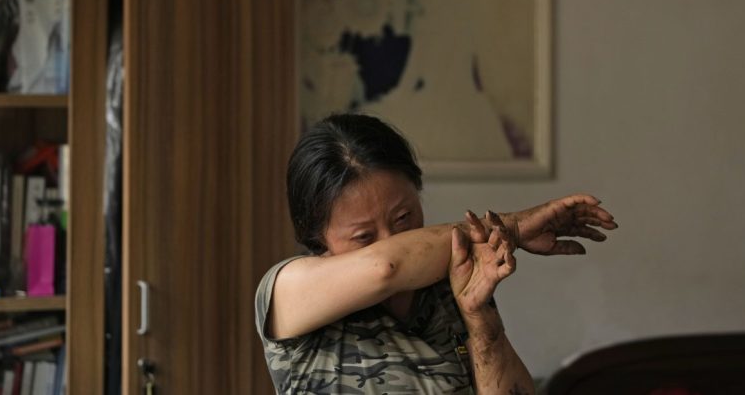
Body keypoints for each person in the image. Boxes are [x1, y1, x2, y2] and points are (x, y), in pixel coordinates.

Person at [255, 113, 618, 394]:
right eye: (364, 236)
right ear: (316, 236)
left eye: (404, 217)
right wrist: (513, 227)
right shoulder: (289, 289)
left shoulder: (451, 280)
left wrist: (480, 321)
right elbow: (386, 266)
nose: (391, 238)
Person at [364, 0, 512, 160]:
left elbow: (457, 78)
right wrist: (391, 101)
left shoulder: (460, 27)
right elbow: (410, 77)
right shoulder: (422, 24)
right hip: (426, 101)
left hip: (457, 107)